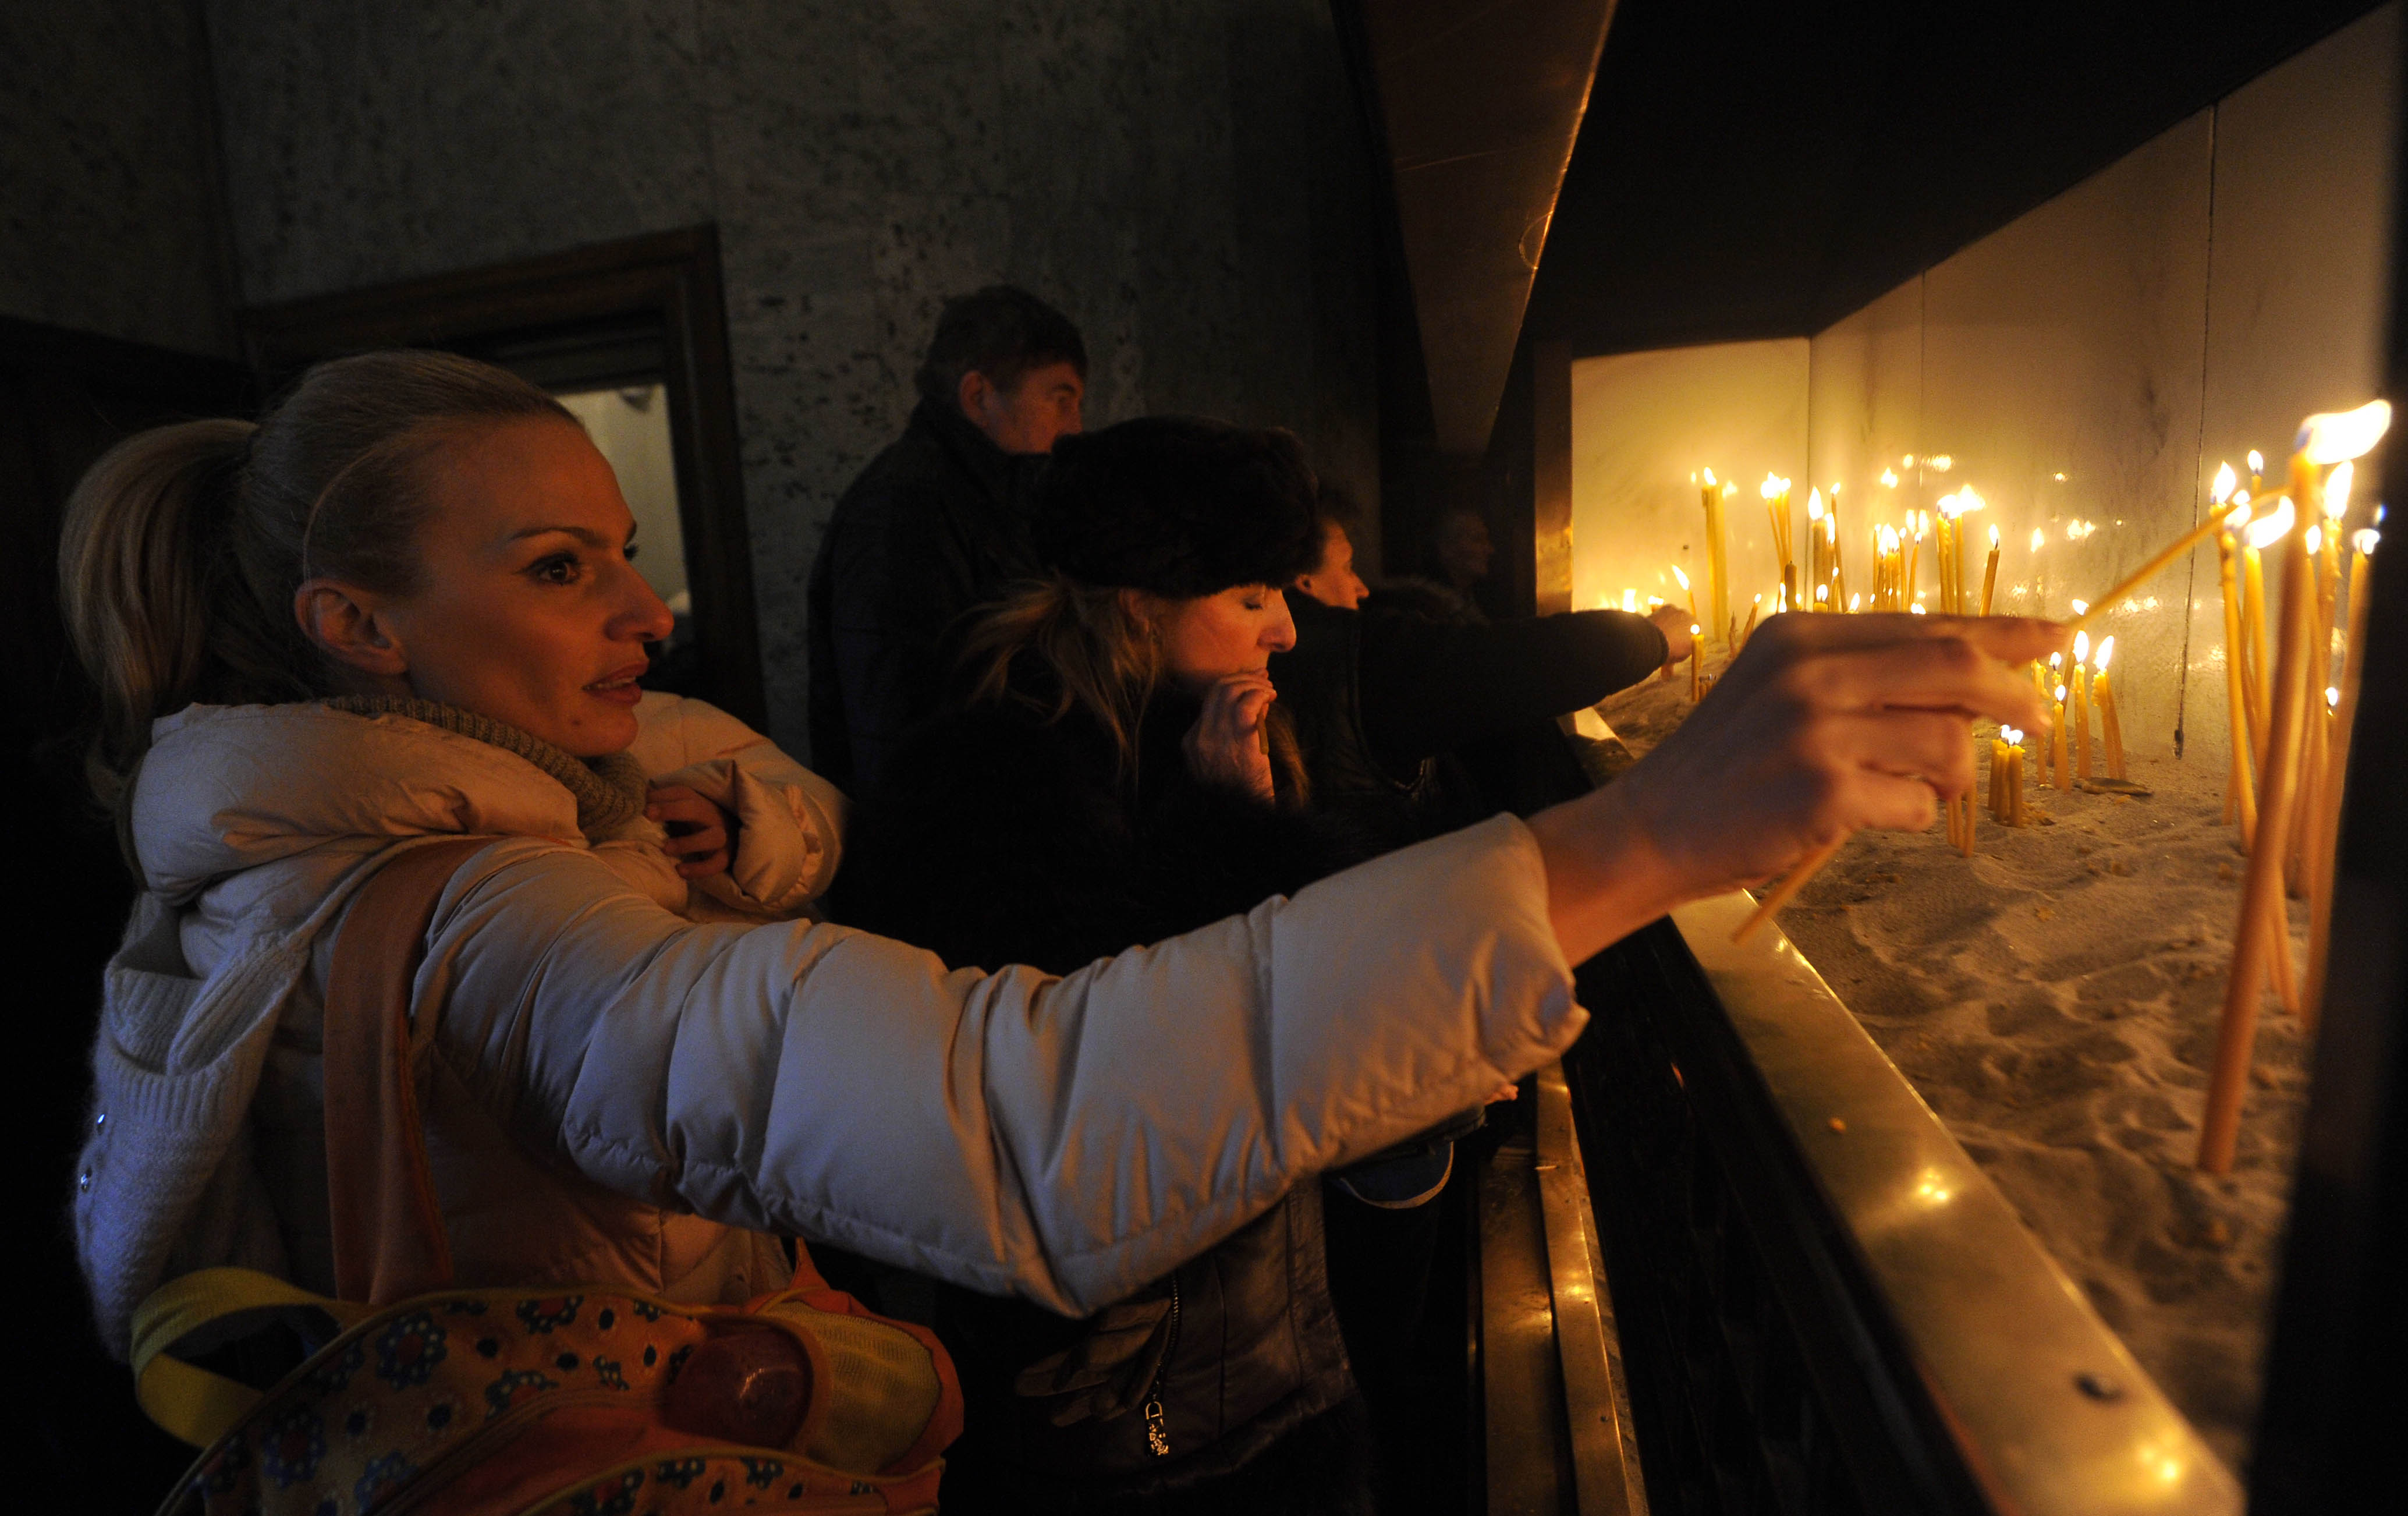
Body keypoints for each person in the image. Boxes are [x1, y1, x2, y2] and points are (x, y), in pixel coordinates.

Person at [62, 351, 2062, 1500]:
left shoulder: (330, 864)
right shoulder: (490, 929)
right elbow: (1011, 1119)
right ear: (356, 625)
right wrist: (1639, 838)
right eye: (561, 567)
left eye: (627, 555)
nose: (650, 614)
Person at [806, 284, 1087, 794]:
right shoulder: (903, 509)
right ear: (978, 397)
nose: (1075, 427)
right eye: (1059, 399)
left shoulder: (991, 497)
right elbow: (897, 724)